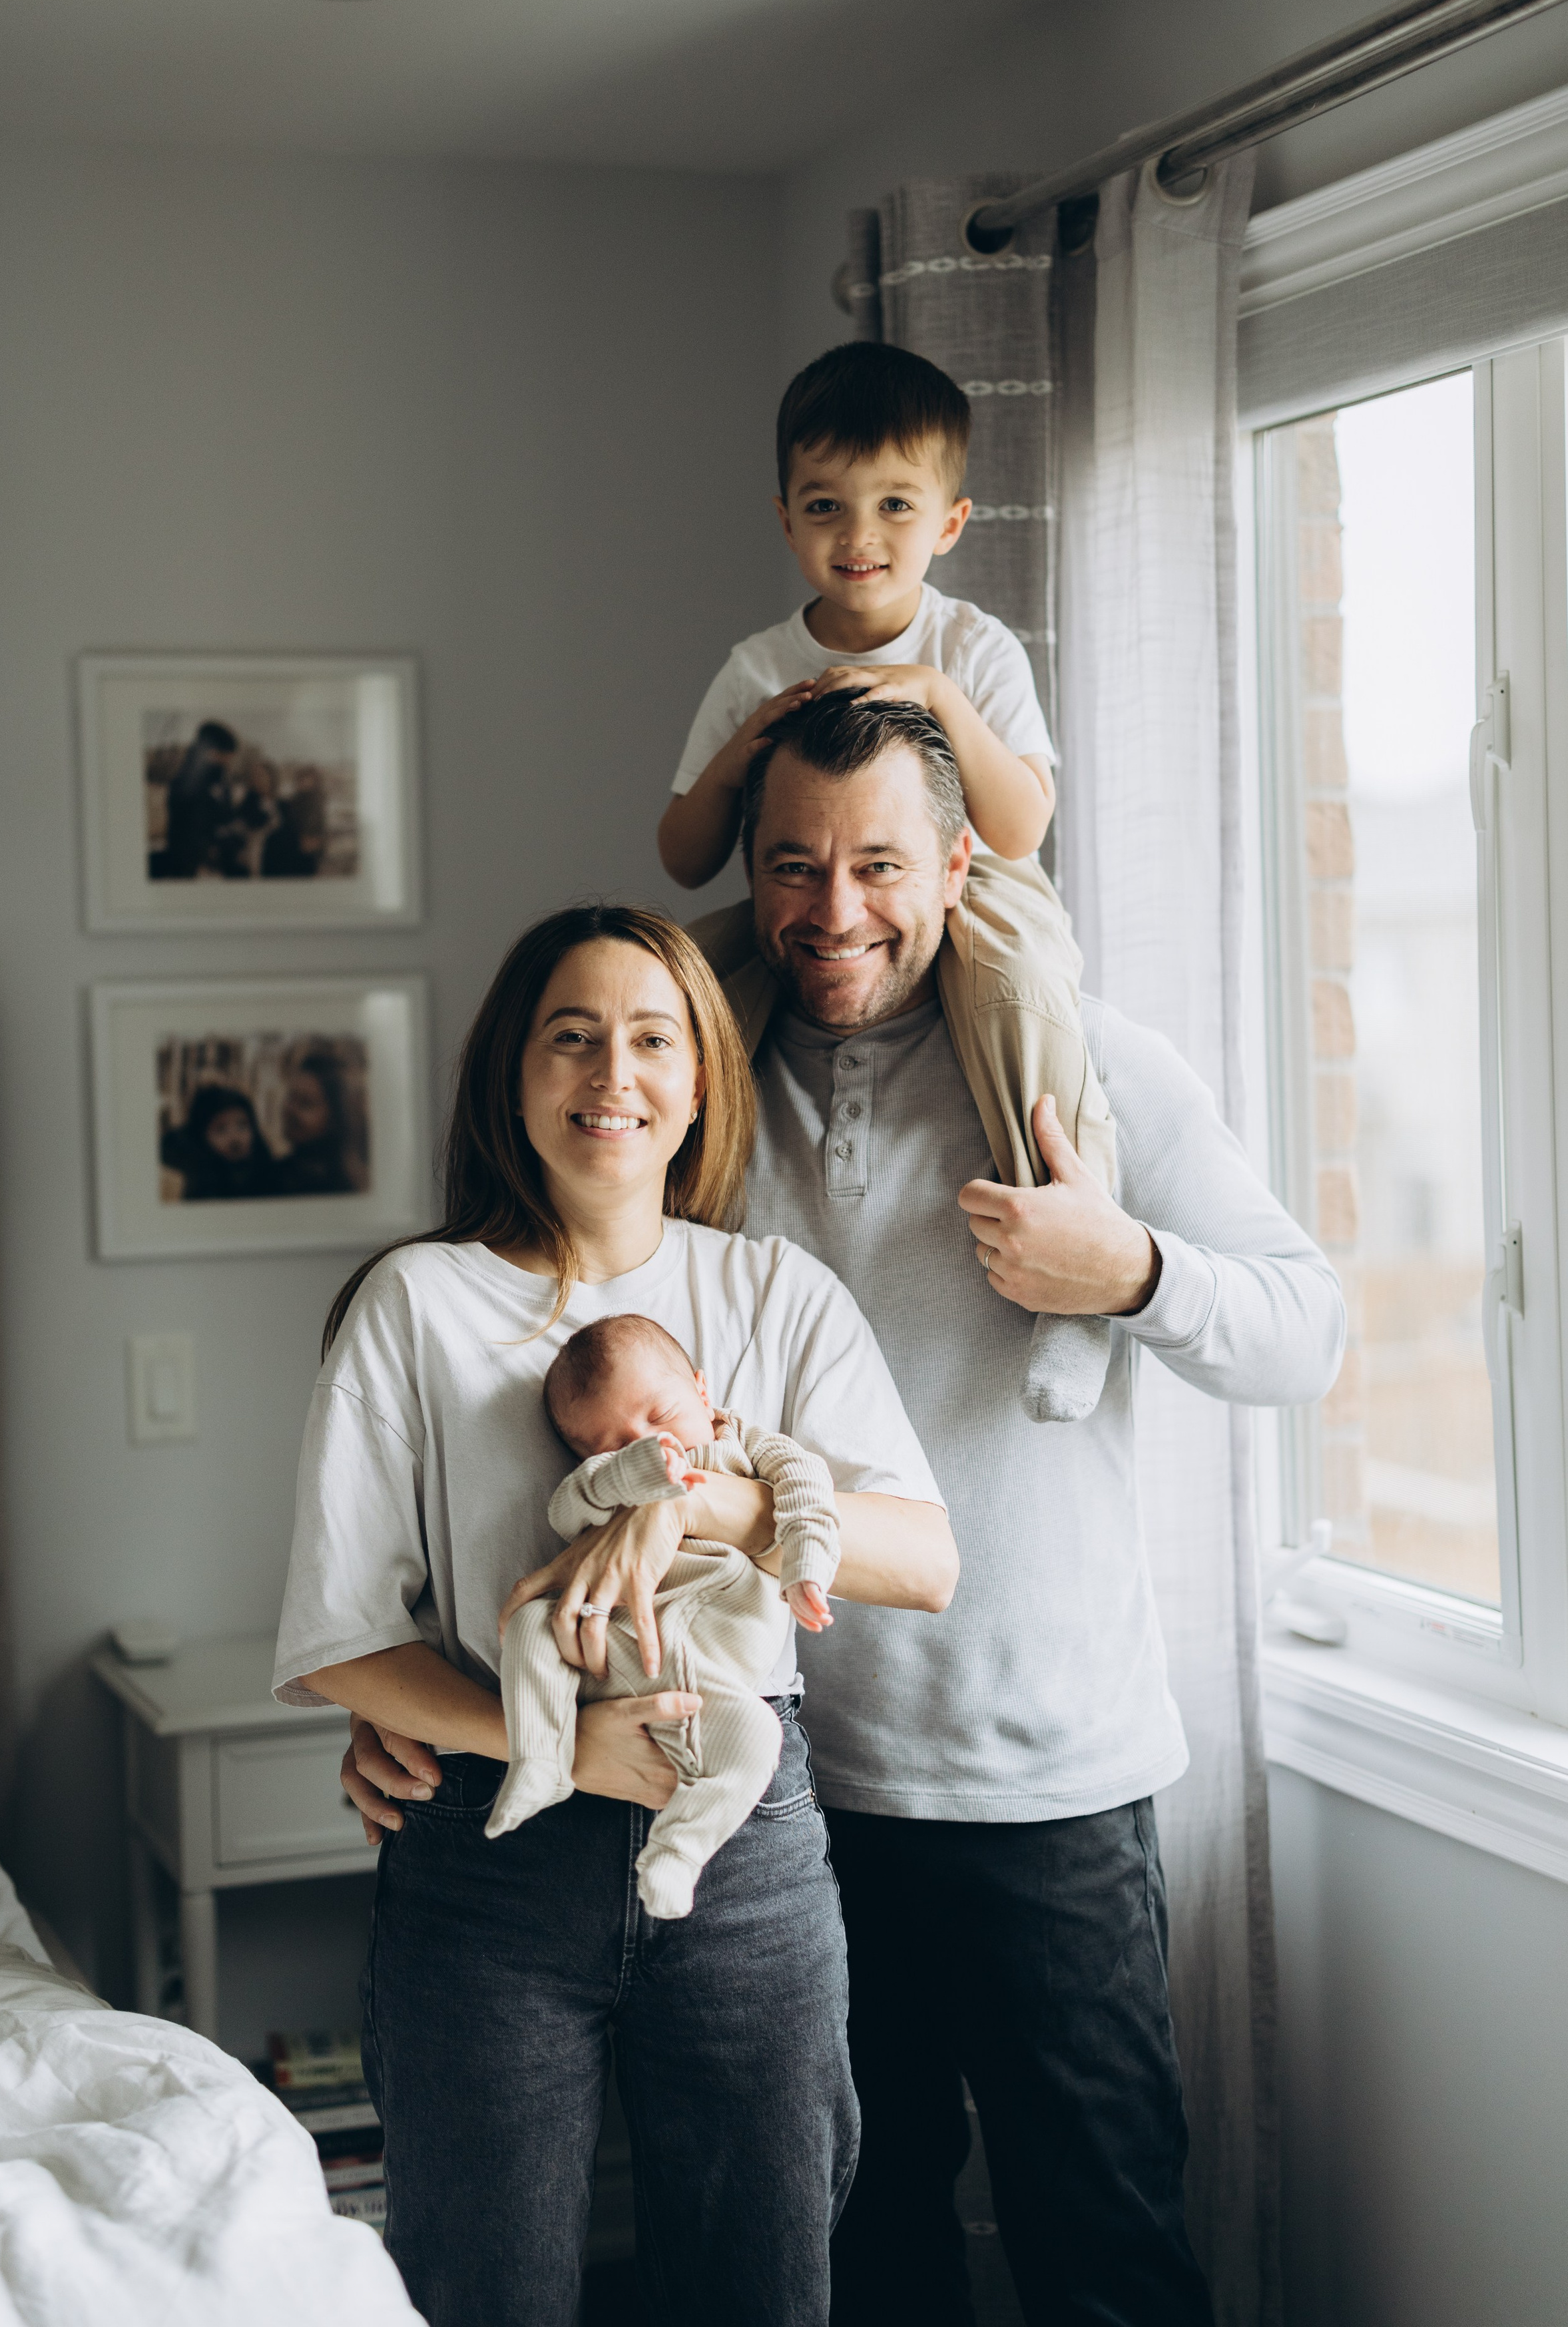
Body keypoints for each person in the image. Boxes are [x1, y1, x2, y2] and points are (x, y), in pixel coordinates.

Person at [345, 700, 1344, 2326]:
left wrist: (1130, 1266)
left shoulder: (1088, 1070)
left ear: (957, 863)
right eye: (793, 865)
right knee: (851, 2269)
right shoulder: (692, 1106)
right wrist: (441, 1705)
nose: (833, 910)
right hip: (780, 1807)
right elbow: (556, 1426)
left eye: (878, 862)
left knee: (1101, 2251)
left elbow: (1307, 1326)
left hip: (1046, 1781)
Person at [274, 902, 956, 2327]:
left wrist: (691, 1505)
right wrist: (555, 1752)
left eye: (651, 1039)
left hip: (744, 1856)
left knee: (761, 2288)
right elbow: (343, 1638)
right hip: (490, 1868)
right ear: (509, 1078)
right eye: (568, 1038)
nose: (611, 1074)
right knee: (484, 2290)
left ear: (700, 1078)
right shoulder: (414, 1305)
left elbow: (920, 1556)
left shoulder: (775, 1292)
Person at [659, 338, 1115, 1424]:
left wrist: (938, 700)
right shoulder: (758, 665)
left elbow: (1019, 828)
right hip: (793, 886)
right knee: (665, 986)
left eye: (895, 507)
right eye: (825, 507)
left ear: (949, 523)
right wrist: (748, 743)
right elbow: (682, 851)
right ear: (785, 518)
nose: (859, 538)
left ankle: (1077, 1290)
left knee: (1035, 997)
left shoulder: (976, 645)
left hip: (978, 887)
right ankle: (665, 1276)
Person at [490, 1312, 842, 1920]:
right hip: (612, 1659)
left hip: (715, 1684)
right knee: (530, 1624)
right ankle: (540, 1759)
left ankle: (677, 1854)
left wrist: (806, 1567)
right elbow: (565, 1510)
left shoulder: (749, 1452)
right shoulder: (613, 1479)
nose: (649, 1441)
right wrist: (628, 1471)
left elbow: (810, 1498)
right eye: (605, 1443)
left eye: (659, 1417)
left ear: (703, 1391)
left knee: (760, 1741)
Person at [149, 719, 239, 880]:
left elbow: (226, 816)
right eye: (224, 756)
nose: (228, 762)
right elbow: (188, 827)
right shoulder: (187, 782)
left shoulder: (220, 781)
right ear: (211, 752)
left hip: (213, 863)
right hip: (190, 866)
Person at [158, 1081, 276, 1200]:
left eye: (242, 1125)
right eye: (221, 1129)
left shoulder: (264, 1167)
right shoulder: (200, 1180)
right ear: (202, 1137)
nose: (235, 1137)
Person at [272, 1051, 357, 1197]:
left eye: (306, 1104)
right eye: (291, 1096)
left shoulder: (334, 1189)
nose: (290, 1109)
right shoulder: (277, 1173)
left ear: (334, 1120)